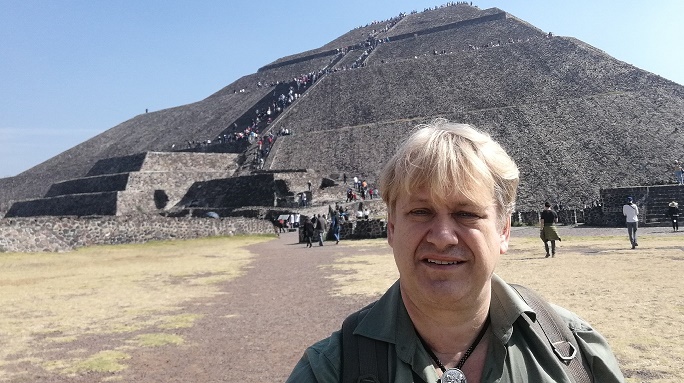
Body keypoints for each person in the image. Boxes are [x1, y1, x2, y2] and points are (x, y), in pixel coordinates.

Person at [286, 119, 624, 382]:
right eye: (420, 212)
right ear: (391, 228)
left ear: (503, 231)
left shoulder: (576, 352)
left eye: (467, 214)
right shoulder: (329, 370)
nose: (444, 236)